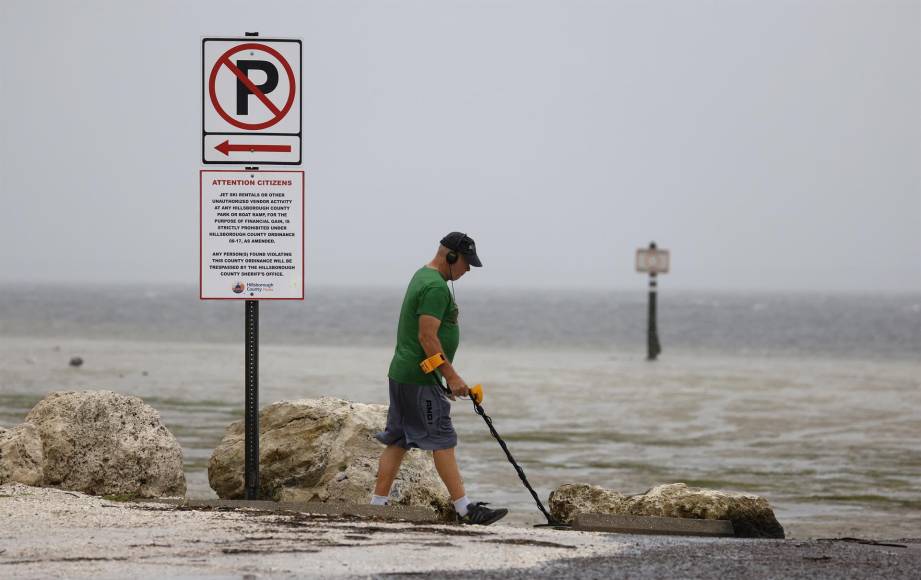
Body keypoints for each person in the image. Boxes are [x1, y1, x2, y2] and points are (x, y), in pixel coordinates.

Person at [371, 232, 508, 526]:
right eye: (466, 263)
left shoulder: (422, 276)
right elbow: (426, 336)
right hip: (420, 380)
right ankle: (465, 510)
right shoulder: (435, 288)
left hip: (404, 373)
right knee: (443, 439)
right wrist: (452, 375)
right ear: (451, 257)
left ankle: (377, 506)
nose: (468, 269)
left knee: (398, 439)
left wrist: (442, 373)